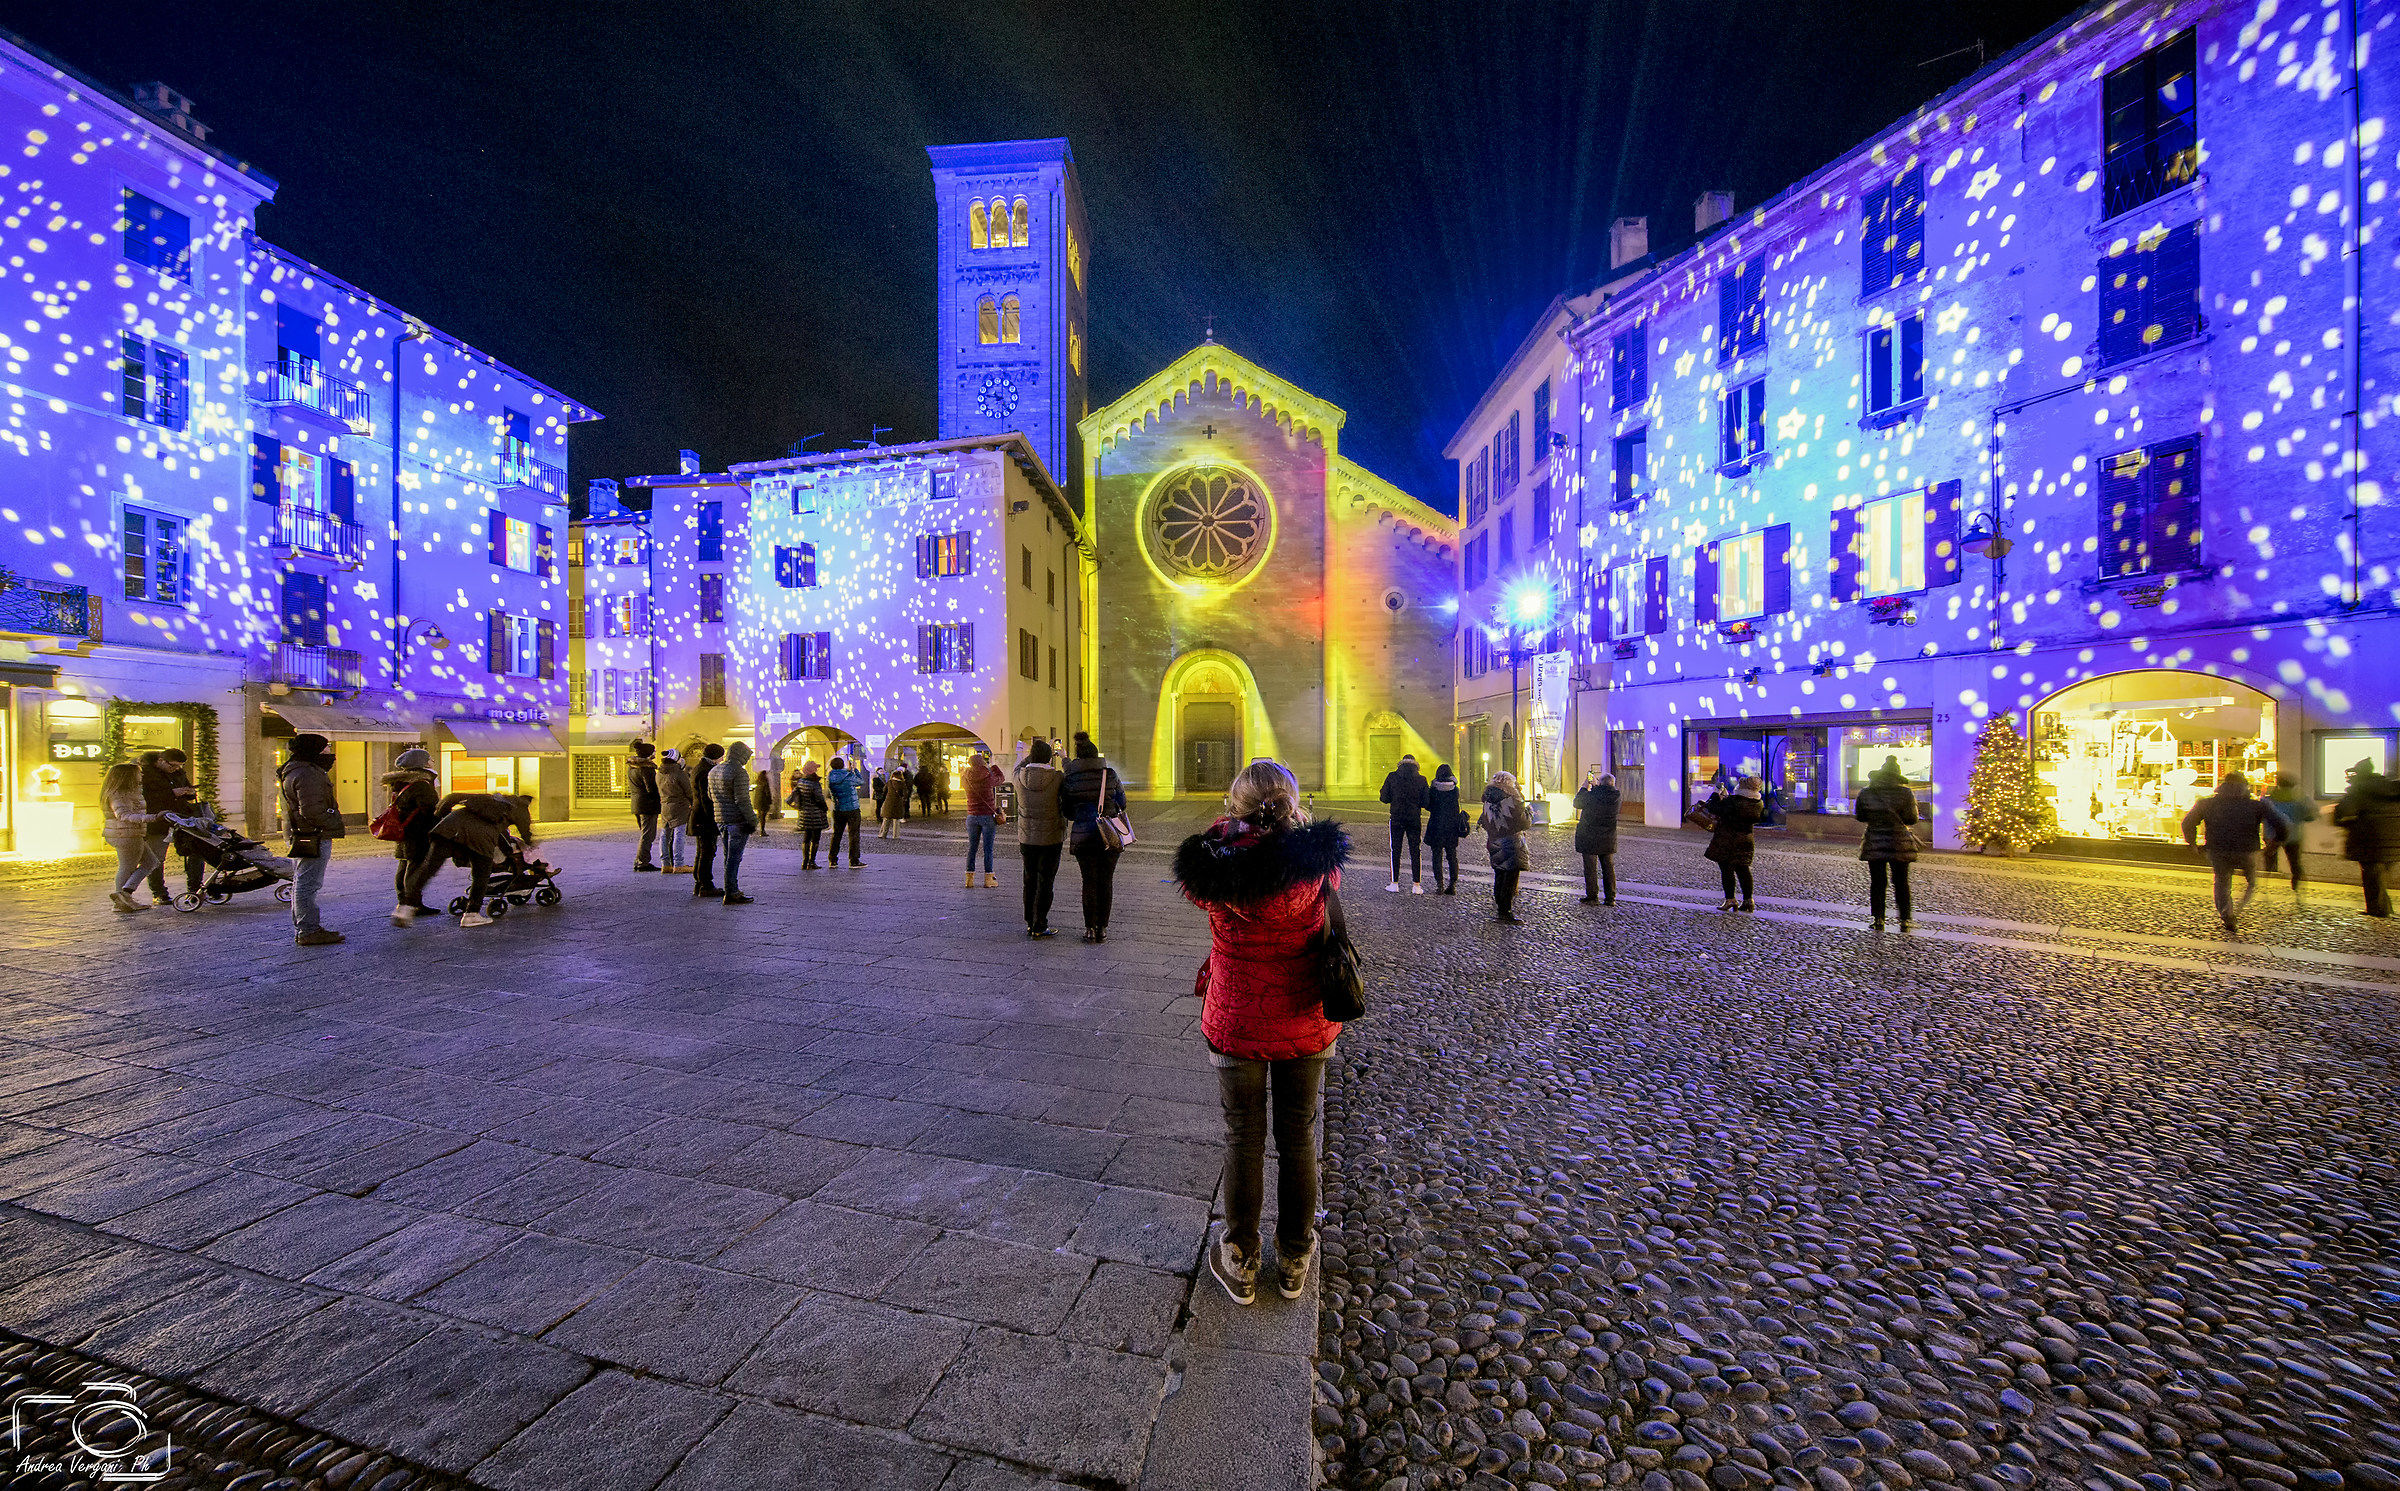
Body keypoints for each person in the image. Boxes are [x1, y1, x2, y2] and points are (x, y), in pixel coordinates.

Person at [1171, 759, 1348, 1308]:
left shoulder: (1215, 869)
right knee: (1298, 1135)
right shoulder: (1317, 863)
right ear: (1292, 806)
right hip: (1304, 1017)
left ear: (1236, 808)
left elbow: (1201, 884)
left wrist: (1227, 831)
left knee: (1242, 1136)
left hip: (1237, 1018)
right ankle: (1295, 1256)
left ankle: (1241, 1258)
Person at [2181, 771, 2287, 934]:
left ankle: (2227, 913)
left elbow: (2187, 822)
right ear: (2245, 786)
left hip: (2217, 848)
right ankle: (2239, 908)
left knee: (2222, 881)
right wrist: (2275, 843)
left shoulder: (2206, 803)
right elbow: (2281, 824)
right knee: (2251, 882)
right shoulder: (2257, 805)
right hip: (2246, 849)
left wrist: (2192, 842)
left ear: (2222, 785)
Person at [410, 791, 534, 927]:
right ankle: (472, 914)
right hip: (479, 838)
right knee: (481, 873)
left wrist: (439, 816)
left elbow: (452, 797)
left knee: (429, 866)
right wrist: (523, 846)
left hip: (448, 827)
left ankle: (406, 905)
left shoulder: (487, 799)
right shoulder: (515, 809)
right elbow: (518, 832)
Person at [278, 733, 346, 945]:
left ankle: (305, 928)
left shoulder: (295, 770)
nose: (329, 751)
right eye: (326, 747)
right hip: (313, 834)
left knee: (302, 881)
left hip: (301, 832)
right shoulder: (308, 773)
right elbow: (311, 810)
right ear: (314, 749)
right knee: (308, 883)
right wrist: (333, 820)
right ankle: (308, 930)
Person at [1059, 731, 1127, 943]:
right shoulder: (1110, 775)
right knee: (1106, 881)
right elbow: (1122, 803)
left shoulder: (1071, 779)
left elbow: (1067, 811)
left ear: (1078, 756)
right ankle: (1102, 929)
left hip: (1084, 836)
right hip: (1109, 836)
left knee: (1088, 881)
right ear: (1097, 755)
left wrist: (1081, 814)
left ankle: (1089, 928)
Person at [1853, 757, 1920, 930]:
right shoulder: (1905, 793)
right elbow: (1912, 819)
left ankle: (1878, 919)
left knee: (1877, 882)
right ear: (1897, 776)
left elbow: (1860, 816)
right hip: (1899, 842)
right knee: (1901, 881)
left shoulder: (1866, 792)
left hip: (1875, 840)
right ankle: (1905, 919)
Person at [2331, 757, 2400, 917]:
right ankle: (2383, 908)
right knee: (2379, 877)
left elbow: (2344, 812)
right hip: (2395, 841)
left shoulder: (2359, 790)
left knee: (2372, 877)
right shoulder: (2391, 788)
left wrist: (2342, 823)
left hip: (2369, 840)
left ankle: (2378, 910)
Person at [383, 747, 443, 924]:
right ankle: (411, 904)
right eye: (429, 758)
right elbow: (431, 809)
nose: (432, 761)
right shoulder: (422, 785)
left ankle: (404, 901)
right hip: (419, 832)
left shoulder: (402, 782)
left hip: (405, 830)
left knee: (404, 864)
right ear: (421, 763)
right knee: (415, 866)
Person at [1015, 739, 1068, 938]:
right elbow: (1071, 777)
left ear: (1031, 757)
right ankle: (1040, 923)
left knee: (1029, 879)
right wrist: (1063, 757)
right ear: (1049, 758)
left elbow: (1019, 765)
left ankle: (1030, 922)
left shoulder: (1019, 777)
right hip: (1051, 837)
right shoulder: (1057, 777)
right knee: (1046, 881)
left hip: (1027, 837)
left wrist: (1032, 755)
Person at [139, 748, 200, 905]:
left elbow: (187, 790)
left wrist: (189, 792)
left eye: (180, 766)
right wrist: (172, 793)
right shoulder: (145, 774)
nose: (176, 769)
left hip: (181, 818)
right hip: (158, 819)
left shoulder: (178, 773)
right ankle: (159, 892)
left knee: (197, 850)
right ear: (161, 761)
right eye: (173, 765)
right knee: (157, 857)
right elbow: (145, 798)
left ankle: (195, 890)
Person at [100, 761, 162, 913]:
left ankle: (124, 896)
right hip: (125, 834)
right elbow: (124, 815)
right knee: (127, 867)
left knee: (151, 862)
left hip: (131, 833)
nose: (141, 775)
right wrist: (152, 818)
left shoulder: (130, 791)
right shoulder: (119, 794)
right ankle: (121, 901)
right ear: (127, 776)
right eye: (138, 773)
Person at [1700, 775, 1767, 911]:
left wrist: (1716, 793)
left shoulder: (1734, 801)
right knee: (1743, 869)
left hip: (1728, 838)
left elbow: (1713, 808)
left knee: (1727, 869)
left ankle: (1730, 899)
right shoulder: (1758, 803)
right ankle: (1748, 901)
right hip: (1746, 839)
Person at [1481, 771, 1530, 924]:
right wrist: (1529, 812)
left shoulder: (1487, 799)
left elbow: (1485, 821)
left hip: (1494, 841)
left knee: (1499, 875)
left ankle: (1500, 908)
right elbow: (1525, 822)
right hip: (1511, 843)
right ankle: (1505, 912)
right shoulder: (1513, 800)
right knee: (1510, 877)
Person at [712, 741, 758, 904]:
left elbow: (711, 796)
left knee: (727, 856)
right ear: (740, 755)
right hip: (737, 820)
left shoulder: (714, 770)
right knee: (734, 858)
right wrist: (752, 819)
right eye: (746, 756)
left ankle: (730, 888)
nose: (747, 759)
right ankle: (731, 891)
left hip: (720, 818)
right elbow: (742, 799)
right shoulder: (739, 772)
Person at [1378, 753, 1428, 893]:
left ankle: (1394, 883)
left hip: (1397, 817)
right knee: (1415, 850)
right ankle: (1416, 885)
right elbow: (1426, 802)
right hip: (1414, 818)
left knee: (1395, 850)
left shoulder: (1392, 776)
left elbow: (1384, 798)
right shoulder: (1421, 779)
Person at [1572, 767, 1620, 906]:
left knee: (1590, 868)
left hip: (1590, 836)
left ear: (1600, 783)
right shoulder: (1616, 796)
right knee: (1608, 868)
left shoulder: (1592, 795)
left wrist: (1585, 786)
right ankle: (1610, 898)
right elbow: (1601, 797)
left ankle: (1592, 896)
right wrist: (1595, 786)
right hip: (1608, 837)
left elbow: (1577, 802)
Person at [2265, 772, 2315, 893]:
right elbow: (2310, 815)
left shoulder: (2269, 798)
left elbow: (2263, 815)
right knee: (2294, 861)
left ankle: (2266, 877)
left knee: (2269, 856)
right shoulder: (2301, 798)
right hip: (2293, 835)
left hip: (2272, 835)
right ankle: (2296, 883)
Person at [961, 749, 1004, 888]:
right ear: (982, 763)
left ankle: (969, 880)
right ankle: (988, 879)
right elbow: (1001, 779)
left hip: (972, 816)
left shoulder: (965, 776)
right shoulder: (987, 775)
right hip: (987, 816)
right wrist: (993, 766)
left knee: (972, 848)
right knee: (988, 849)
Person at [1425, 764, 1467, 895]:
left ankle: (1440, 884)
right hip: (1451, 826)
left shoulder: (1433, 789)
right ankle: (1452, 884)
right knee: (1452, 856)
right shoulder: (1455, 790)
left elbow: (1428, 806)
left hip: (1436, 825)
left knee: (1436, 856)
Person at [690, 743, 725, 896]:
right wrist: (714, 817)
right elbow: (706, 798)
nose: (722, 759)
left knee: (702, 851)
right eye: (721, 756)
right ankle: (706, 885)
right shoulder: (707, 771)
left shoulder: (700, 767)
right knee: (707, 851)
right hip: (705, 817)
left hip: (699, 815)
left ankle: (699, 883)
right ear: (715, 756)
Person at [657, 748, 694, 873]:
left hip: (665, 806)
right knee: (679, 835)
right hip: (679, 807)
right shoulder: (679, 773)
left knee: (665, 835)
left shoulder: (659, 773)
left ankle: (665, 864)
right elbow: (689, 791)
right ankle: (678, 864)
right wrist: (693, 803)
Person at [826, 754, 866, 866]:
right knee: (854, 834)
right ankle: (854, 860)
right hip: (852, 808)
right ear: (843, 765)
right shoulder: (848, 776)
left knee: (837, 834)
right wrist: (855, 770)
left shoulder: (830, 777)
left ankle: (832, 859)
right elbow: (861, 781)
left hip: (838, 809)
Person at [789, 760, 830, 868]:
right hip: (816, 814)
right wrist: (825, 808)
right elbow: (819, 799)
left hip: (805, 814)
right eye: (815, 768)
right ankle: (812, 862)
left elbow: (790, 799)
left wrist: (798, 807)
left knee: (806, 837)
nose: (817, 770)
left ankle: (804, 862)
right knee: (815, 838)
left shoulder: (801, 782)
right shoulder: (814, 783)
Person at [628, 742, 662, 870]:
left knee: (645, 833)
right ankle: (642, 862)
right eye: (653, 751)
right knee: (648, 835)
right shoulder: (646, 768)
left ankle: (640, 861)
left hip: (637, 803)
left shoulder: (632, 766)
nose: (655, 753)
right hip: (648, 805)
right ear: (649, 754)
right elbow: (651, 788)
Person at [879, 758, 914, 838]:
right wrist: (904, 799)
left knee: (886, 819)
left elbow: (884, 791)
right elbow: (905, 793)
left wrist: (885, 798)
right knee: (896, 821)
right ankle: (896, 835)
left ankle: (883, 834)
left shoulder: (889, 782)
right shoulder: (902, 784)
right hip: (898, 803)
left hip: (889, 802)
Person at [751, 764, 774, 838]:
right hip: (764, 802)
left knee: (759, 816)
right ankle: (762, 830)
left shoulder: (757, 782)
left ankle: (754, 828)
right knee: (763, 817)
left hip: (758, 801)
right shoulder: (765, 783)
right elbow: (768, 793)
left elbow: (753, 790)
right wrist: (770, 801)